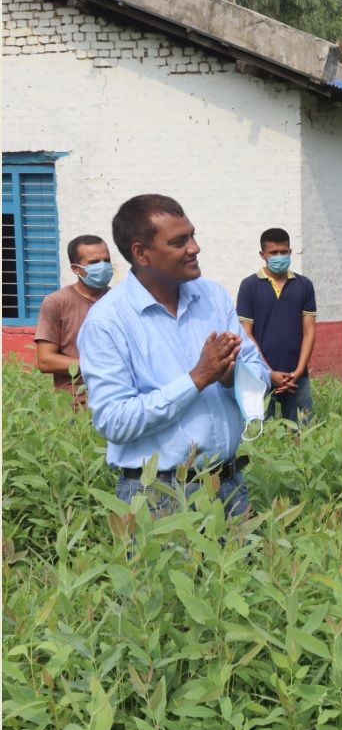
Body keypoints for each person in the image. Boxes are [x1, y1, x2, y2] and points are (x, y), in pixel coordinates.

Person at [78, 195, 269, 517]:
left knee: (237, 569)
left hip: (229, 484)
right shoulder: (107, 322)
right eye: (179, 241)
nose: (194, 248)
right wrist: (197, 379)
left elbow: (258, 372)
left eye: (192, 236)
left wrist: (229, 376)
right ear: (141, 253)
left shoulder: (212, 296)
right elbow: (114, 421)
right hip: (158, 495)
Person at [236, 227, 317, 427]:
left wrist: (298, 371)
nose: (279, 256)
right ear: (263, 255)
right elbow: (247, 334)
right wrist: (268, 372)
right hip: (260, 376)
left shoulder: (304, 285)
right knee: (262, 436)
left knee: (303, 434)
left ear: (290, 251)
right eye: (273, 253)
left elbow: (309, 332)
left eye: (283, 252)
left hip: (297, 378)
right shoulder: (249, 286)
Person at [35, 234, 114, 400]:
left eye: (106, 261)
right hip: (76, 405)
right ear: (76, 269)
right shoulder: (57, 302)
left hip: (118, 400)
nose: (103, 267)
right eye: (94, 263)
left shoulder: (121, 300)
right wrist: (97, 367)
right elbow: (45, 360)